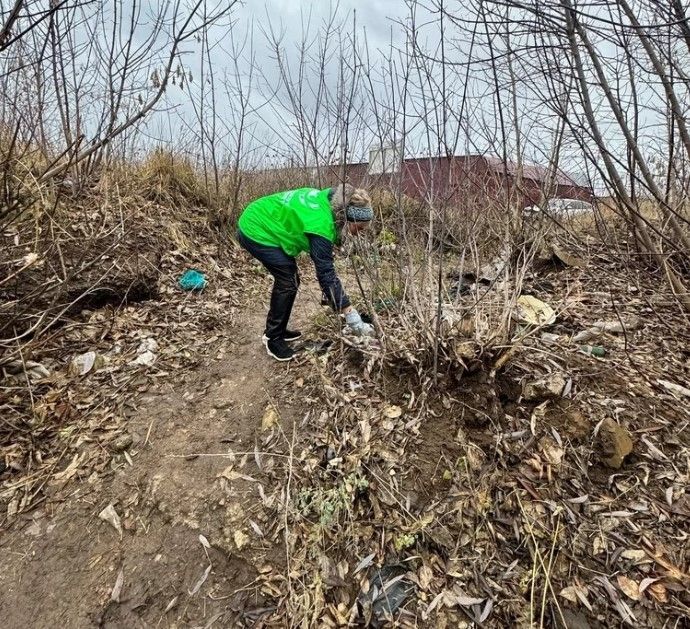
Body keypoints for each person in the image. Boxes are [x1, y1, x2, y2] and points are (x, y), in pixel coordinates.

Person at [237, 183, 376, 361]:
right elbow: (326, 273)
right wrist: (350, 313)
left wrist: (337, 301)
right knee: (288, 281)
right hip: (255, 228)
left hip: (260, 216)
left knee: (290, 279)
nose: (358, 234)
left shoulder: (328, 201)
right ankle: (273, 338)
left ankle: (277, 329)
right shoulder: (322, 223)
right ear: (349, 218)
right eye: (359, 228)